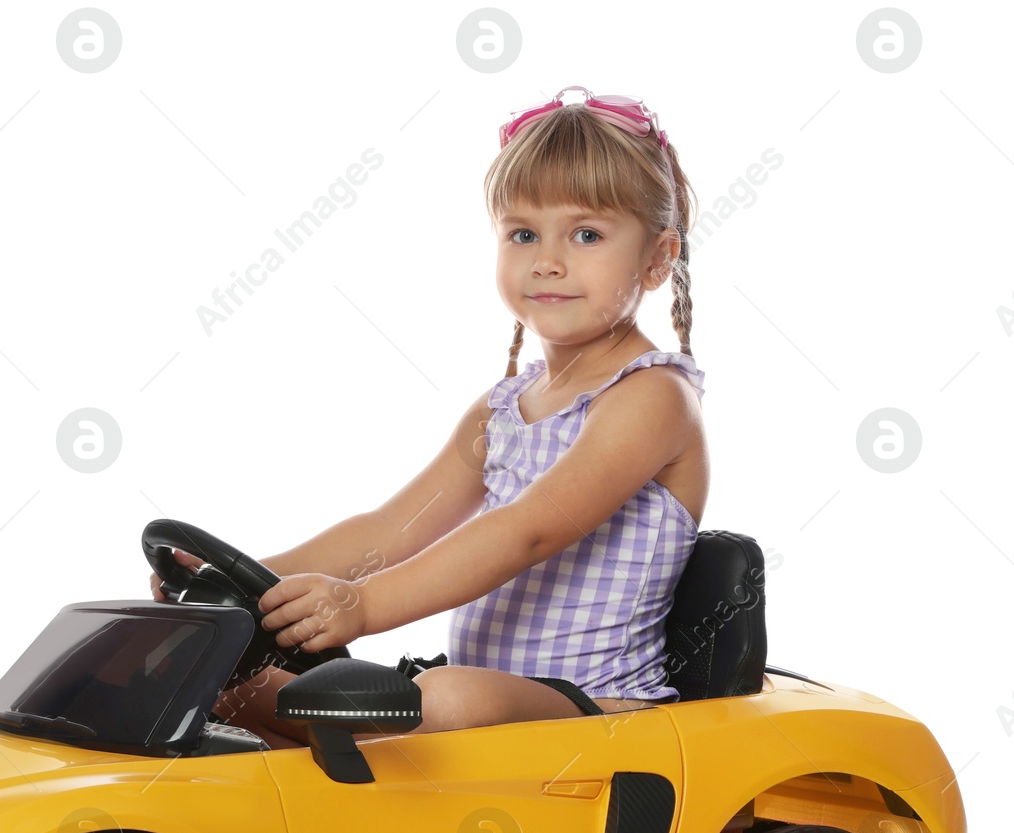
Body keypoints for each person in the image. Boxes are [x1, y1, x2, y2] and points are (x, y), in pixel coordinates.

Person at [152, 87, 708, 751]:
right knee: (226, 680)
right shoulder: (502, 410)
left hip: (602, 706)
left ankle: (324, 722)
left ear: (657, 258)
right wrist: (240, 590)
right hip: (492, 692)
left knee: (448, 696)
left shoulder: (651, 398)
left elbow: (526, 532)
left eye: (586, 234)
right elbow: (390, 529)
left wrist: (363, 607)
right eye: (523, 234)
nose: (548, 259)